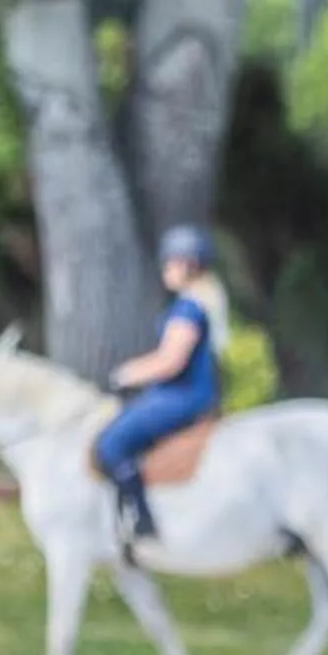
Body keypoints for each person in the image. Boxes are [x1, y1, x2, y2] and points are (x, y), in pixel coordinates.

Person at [94, 224, 225, 550]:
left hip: (183, 395)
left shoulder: (189, 308)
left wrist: (125, 375)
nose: (165, 269)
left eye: (170, 263)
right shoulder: (198, 303)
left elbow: (171, 361)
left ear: (187, 265)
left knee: (111, 443)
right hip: (178, 392)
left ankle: (140, 519)